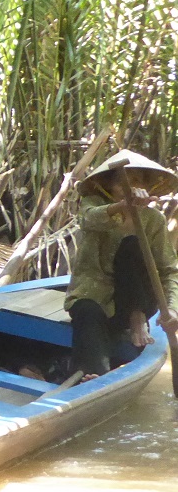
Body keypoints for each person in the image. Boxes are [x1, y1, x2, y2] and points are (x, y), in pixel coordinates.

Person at [64, 149, 178, 379]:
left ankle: (137, 318)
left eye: (137, 182)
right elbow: (90, 219)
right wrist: (122, 207)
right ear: (107, 186)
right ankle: (93, 376)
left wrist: (172, 309)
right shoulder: (92, 205)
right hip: (95, 297)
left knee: (131, 246)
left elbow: (169, 270)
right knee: (86, 311)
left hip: (138, 303)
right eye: (123, 183)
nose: (131, 188)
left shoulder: (153, 219)